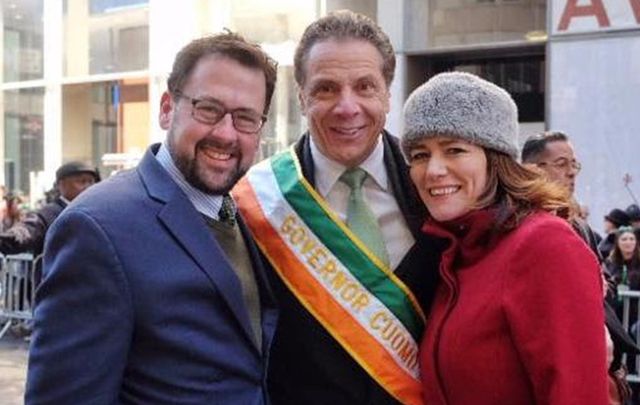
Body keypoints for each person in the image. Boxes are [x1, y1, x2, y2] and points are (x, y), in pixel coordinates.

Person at [25, 32, 278, 404]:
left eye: (245, 118)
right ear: (166, 108)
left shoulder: (238, 214)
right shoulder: (97, 227)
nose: (225, 133)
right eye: (208, 109)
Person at [233, 10, 439, 405]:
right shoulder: (254, 201)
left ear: (387, 95)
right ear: (302, 97)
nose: (347, 107)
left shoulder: (435, 186)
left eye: (364, 87)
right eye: (326, 89)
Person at [401, 72, 608, 404]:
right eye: (420, 155)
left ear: (495, 158)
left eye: (454, 149)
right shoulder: (453, 254)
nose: (433, 170)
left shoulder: (544, 244)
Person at [522, 131, 639, 404]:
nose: (571, 173)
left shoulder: (579, 225)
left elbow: (602, 274)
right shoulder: (515, 220)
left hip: (595, 355)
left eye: (574, 165)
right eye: (561, 164)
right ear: (532, 169)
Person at [0, 161, 99, 257]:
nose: (88, 187)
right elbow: (25, 233)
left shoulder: (97, 212)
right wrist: (10, 238)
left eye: (91, 182)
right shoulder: (49, 214)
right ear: (61, 185)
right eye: (81, 181)